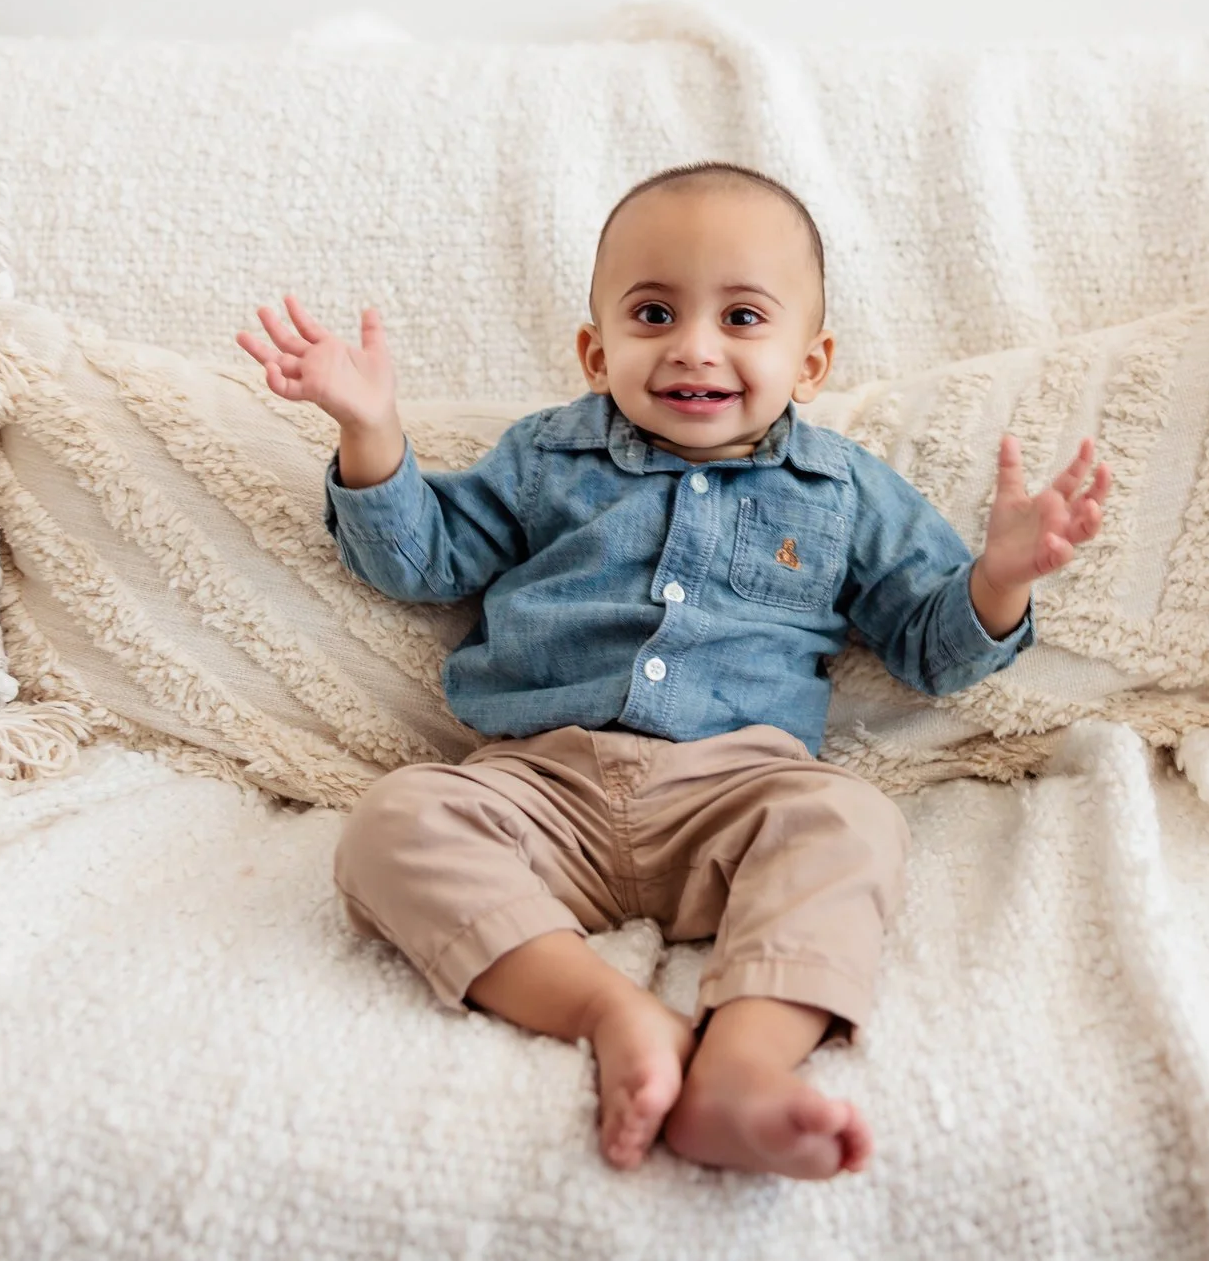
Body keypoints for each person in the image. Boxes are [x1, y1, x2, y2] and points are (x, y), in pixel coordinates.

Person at [236, 162, 1110, 1179]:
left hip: (739, 792)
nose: (695, 345)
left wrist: (998, 575)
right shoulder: (546, 458)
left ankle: (740, 1063)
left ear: (811, 360)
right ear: (595, 350)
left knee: (850, 822)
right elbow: (420, 557)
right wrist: (371, 432)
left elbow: (929, 647)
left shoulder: (844, 490)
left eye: (743, 316)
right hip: (539, 788)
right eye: (654, 312)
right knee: (393, 822)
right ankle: (612, 1011)